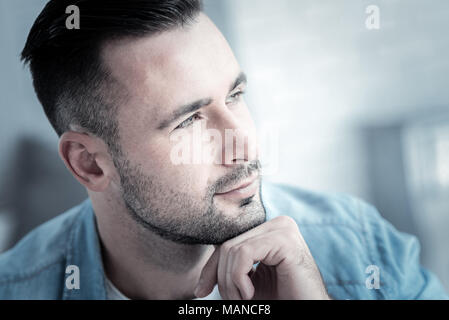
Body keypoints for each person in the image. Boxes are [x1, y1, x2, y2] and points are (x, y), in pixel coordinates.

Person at [0, 0, 447, 300]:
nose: (244, 143)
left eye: (235, 95)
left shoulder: (362, 246)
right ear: (89, 164)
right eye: (189, 120)